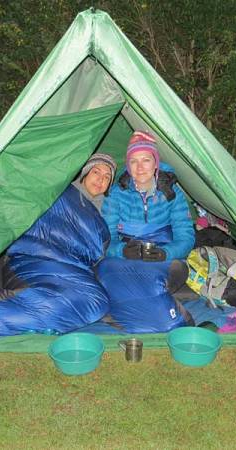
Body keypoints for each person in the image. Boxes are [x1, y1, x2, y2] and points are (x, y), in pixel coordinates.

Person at [0, 153, 117, 338]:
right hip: (32, 260)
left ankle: (27, 306)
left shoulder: (103, 217)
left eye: (107, 177)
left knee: (97, 301)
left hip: (72, 270)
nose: (100, 179)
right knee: (75, 302)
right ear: (85, 173)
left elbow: (94, 254)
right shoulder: (57, 191)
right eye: (96, 172)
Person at [96, 131, 195, 333]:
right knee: (106, 273)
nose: (140, 167)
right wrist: (122, 250)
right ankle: (158, 313)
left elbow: (186, 238)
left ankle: (137, 313)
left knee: (148, 283)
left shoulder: (172, 193)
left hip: (163, 254)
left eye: (146, 160)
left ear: (155, 163)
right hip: (126, 254)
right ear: (128, 165)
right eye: (134, 161)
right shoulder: (116, 193)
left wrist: (166, 253)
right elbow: (106, 239)